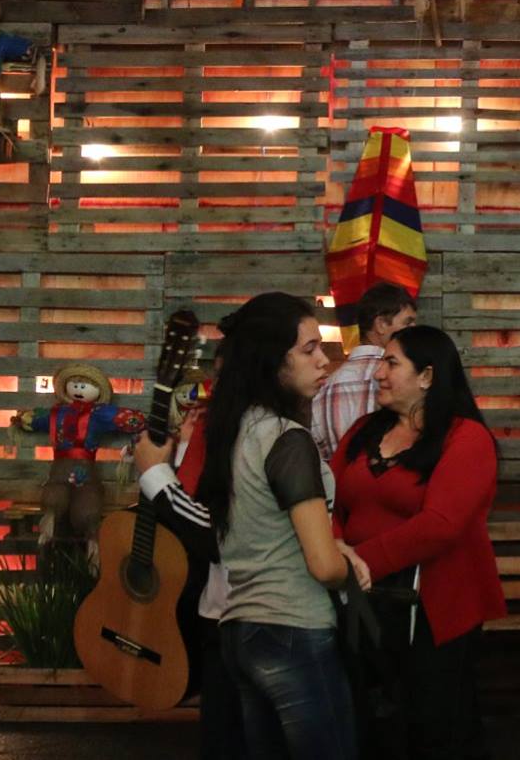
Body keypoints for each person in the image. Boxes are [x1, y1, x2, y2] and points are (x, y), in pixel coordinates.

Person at [333, 325, 505, 760]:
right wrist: (334, 547)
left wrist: (357, 560)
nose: (378, 373)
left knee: (433, 727)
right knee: (370, 724)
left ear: (427, 376)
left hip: (435, 607)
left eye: (391, 363)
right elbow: (325, 498)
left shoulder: (466, 438)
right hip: (362, 603)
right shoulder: (362, 431)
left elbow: (441, 524)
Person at [195, 292, 355, 760]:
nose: (323, 360)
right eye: (309, 349)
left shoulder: (237, 430)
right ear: (272, 361)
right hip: (293, 626)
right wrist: (354, 568)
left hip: (241, 628)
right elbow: (323, 566)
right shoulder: (287, 440)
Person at [131, 361, 241, 758]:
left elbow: (215, 535)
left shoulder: (270, 436)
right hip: (216, 607)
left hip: (253, 611)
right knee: (222, 730)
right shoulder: (212, 428)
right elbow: (191, 510)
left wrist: (158, 473)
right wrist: (179, 455)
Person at [313, 283, 418, 471]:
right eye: (407, 323)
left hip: (338, 487)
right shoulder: (408, 380)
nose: (414, 330)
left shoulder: (323, 390)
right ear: (381, 324)